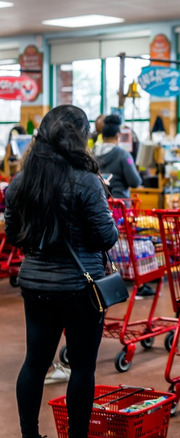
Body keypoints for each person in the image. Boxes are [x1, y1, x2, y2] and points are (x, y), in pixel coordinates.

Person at [5, 105, 118, 438]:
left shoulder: (21, 180)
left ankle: (29, 435)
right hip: (81, 289)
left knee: (34, 364)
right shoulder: (86, 180)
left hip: (35, 284)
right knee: (82, 367)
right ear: (79, 137)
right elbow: (106, 237)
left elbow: (13, 235)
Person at [93, 114, 142, 199]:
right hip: (119, 205)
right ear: (118, 136)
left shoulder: (92, 153)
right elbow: (135, 182)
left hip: (98, 203)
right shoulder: (123, 155)